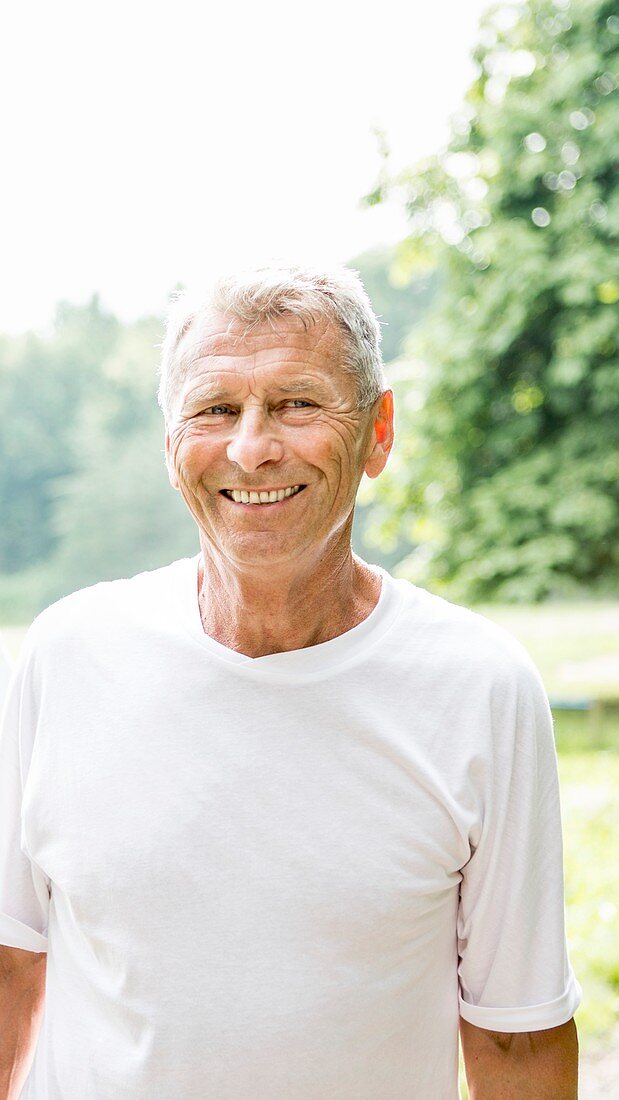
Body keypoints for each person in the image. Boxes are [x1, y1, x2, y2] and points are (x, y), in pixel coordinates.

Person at [0, 266, 581, 1099]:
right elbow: (11, 966)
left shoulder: (480, 688)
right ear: (170, 447)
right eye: (214, 409)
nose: (251, 447)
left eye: (297, 404)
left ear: (377, 431)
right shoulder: (66, 654)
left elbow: (517, 1040)